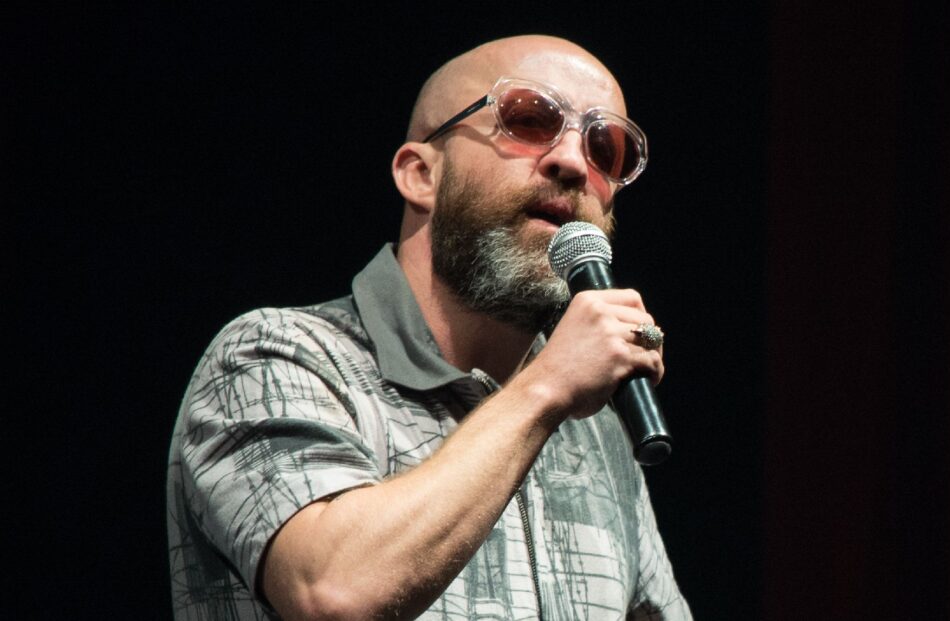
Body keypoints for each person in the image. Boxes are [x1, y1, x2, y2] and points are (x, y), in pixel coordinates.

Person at [167, 34, 693, 621]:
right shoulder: (272, 357)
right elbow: (333, 592)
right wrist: (545, 388)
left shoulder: (593, 432)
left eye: (605, 147)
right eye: (528, 119)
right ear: (421, 174)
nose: (572, 162)